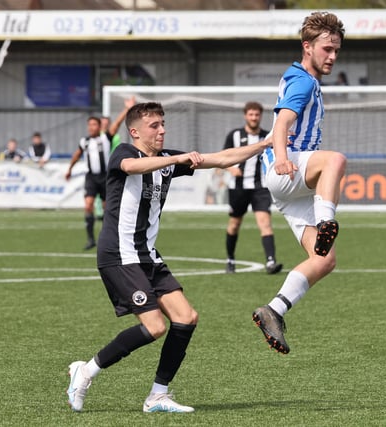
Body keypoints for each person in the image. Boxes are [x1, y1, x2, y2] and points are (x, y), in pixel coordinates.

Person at [66, 101, 272, 414]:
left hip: (147, 255)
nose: (162, 130)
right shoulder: (123, 152)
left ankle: (157, 396)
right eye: (154, 126)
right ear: (135, 131)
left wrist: (267, 143)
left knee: (186, 318)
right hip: (119, 254)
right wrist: (177, 158)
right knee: (154, 326)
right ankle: (86, 371)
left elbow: (222, 159)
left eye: (163, 124)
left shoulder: (165, 160)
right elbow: (133, 168)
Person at [252, 11, 347, 355]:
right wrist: (280, 156)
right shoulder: (303, 80)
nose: (332, 56)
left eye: (337, 50)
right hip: (286, 169)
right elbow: (281, 123)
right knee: (334, 160)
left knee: (324, 259)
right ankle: (326, 222)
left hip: (292, 186)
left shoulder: (306, 80)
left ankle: (273, 310)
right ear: (307, 47)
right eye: (327, 49)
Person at [65, 97, 135, 250]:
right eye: (89, 125)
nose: (91, 127)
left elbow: (116, 124)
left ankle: (110, 239)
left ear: (99, 126)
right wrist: (69, 169)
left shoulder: (106, 137)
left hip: (105, 177)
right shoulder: (85, 141)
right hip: (91, 177)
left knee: (107, 208)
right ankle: (90, 239)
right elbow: (77, 154)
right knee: (88, 205)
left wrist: (127, 108)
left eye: (94, 124)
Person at [223, 101, 282, 275]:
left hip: (260, 187)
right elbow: (224, 156)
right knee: (234, 224)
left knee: (265, 223)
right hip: (238, 187)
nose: (254, 117)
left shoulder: (267, 136)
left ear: (260, 116)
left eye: (257, 115)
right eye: (251, 114)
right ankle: (230, 259)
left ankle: (271, 262)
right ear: (245, 115)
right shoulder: (234, 135)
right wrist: (230, 168)